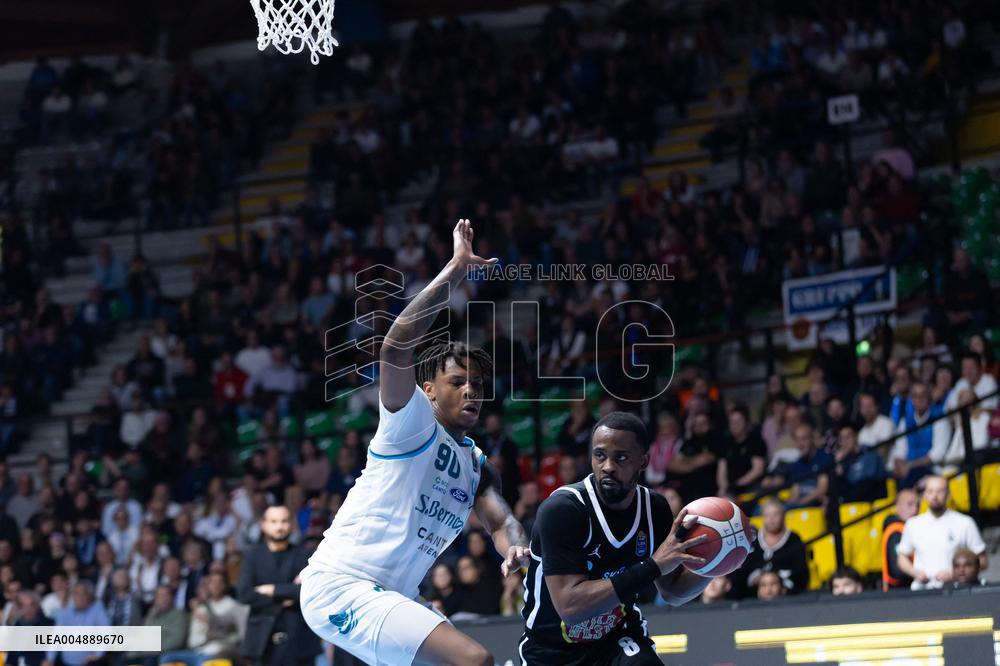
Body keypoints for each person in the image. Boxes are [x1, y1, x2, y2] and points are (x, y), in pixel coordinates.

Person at [299, 221, 530, 666]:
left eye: (478, 385)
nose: (471, 392)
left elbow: (500, 525)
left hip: (393, 596)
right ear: (427, 390)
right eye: (458, 382)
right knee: (474, 661)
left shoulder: (476, 463)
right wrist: (455, 271)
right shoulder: (411, 424)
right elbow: (394, 347)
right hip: (342, 584)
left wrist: (516, 547)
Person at [518, 412, 720, 665]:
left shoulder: (654, 508)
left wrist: (719, 560)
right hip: (552, 650)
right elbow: (571, 608)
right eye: (599, 455)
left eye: (621, 457)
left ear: (643, 461)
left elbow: (673, 592)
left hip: (617, 638)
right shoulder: (563, 509)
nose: (608, 466)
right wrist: (654, 565)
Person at [237, 505, 320, 666]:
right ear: (264, 524)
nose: (279, 526)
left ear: (292, 524)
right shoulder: (252, 555)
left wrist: (272, 590)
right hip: (262, 640)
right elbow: (244, 593)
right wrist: (287, 596)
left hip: (299, 640)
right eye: (274, 521)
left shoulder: (305, 555)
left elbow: (309, 590)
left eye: (284, 521)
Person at [896, 476, 988, 590]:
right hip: (922, 591)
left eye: (939, 491)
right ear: (924, 495)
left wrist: (955, 574)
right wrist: (914, 572)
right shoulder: (912, 524)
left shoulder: (965, 522)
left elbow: (983, 561)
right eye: (930, 491)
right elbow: (902, 557)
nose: (934, 496)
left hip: (956, 590)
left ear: (948, 494)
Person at [735, 499, 808, 598]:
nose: (771, 519)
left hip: (786, 594)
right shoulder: (753, 539)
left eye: (775, 515)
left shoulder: (793, 539)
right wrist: (757, 578)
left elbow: (801, 572)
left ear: (783, 516)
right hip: (752, 595)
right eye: (767, 515)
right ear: (762, 517)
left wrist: (778, 580)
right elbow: (744, 570)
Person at [881, 488, 919, 591]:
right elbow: (897, 570)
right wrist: (921, 573)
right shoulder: (896, 532)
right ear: (897, 507)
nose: (915, 510)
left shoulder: (913, 528)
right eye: (909, 504)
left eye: (918, 505)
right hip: (899, 591)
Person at [7, 591, 53, 666]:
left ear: (37, 606)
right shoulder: (18, 625)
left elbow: (49, 656)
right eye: (24, 606)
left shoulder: (48, 625)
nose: (27, 609)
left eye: (31, 605)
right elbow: (11, 656)